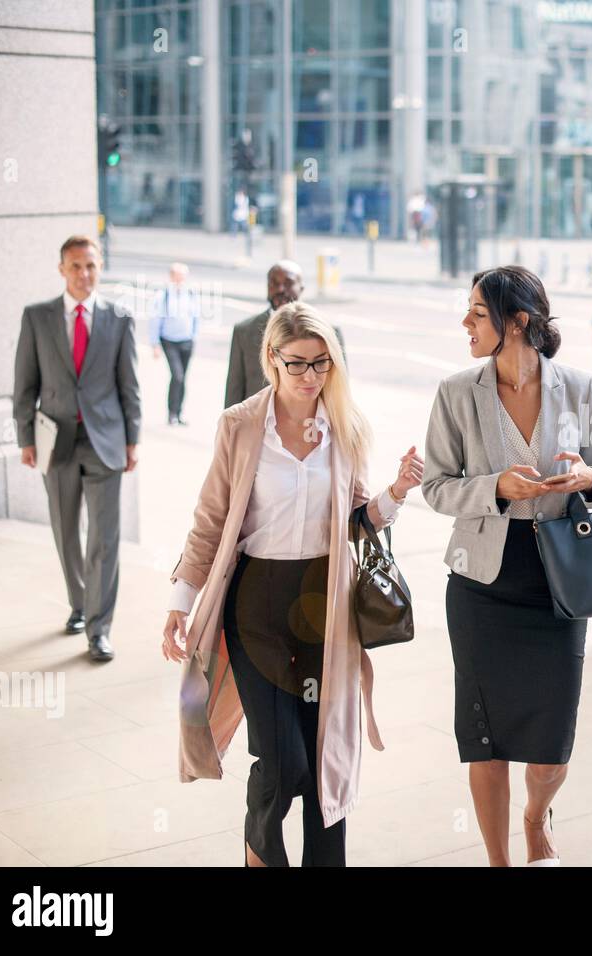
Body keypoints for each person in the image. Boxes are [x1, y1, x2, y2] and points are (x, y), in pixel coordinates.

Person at [161, 301, 423, 867]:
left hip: (323, 608)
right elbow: (210, 521)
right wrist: (180, 602)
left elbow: (354, 521)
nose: (310, 377)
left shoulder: (345, 428)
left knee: (326, 756)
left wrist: (395, 492)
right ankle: (262, 854)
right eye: (298, 364)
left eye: (322, 364)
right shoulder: (239, 426)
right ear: (272, 360)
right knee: (284, 763)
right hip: (256, 605)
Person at [422, 264, 592, 867]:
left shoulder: (580, 388)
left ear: (518, 322)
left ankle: (535, 818)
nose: (466, 322)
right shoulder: (457, 392)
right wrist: (496, 487)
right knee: (485, 739)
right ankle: (498, 860)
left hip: (560, 584)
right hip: (483, 585)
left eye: (478, 312)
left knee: (553, 747)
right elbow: (435, 486)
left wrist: (588, 478)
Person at [13, 235, 141, 663]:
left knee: (105, 539)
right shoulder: (37, 318)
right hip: (56, 441)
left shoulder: (119, 318)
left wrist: (133, 440)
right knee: (66, 532)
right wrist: (25, 437)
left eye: (91, 266)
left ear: (100, 266)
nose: (84, 274)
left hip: (105, 441)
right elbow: (24, 383)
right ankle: (79, 605)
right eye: (75, 267)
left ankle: (99, 629)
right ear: (62, 269)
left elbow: (130, 386)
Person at [225, 260, 346, 407]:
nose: (280, 289)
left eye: (288, 283)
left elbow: (340, 389)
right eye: (273, 283)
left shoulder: (329, 331)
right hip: (258, 425)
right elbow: (234, 389)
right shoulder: (243, 331)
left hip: (311, 424)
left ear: (301, 288)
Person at [150, 262, 200, 425]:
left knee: (183, 378)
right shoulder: (163, 296)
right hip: (169, 341)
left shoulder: (191, 294)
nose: (180, 280)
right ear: (171, 277)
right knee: (177, 376)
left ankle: (179, 414)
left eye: (183, 277)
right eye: (177, 276)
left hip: (186, 341)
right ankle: (171, 413)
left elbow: (196, 318)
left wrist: (194, 337)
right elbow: (155, 320)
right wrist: (155, 344)